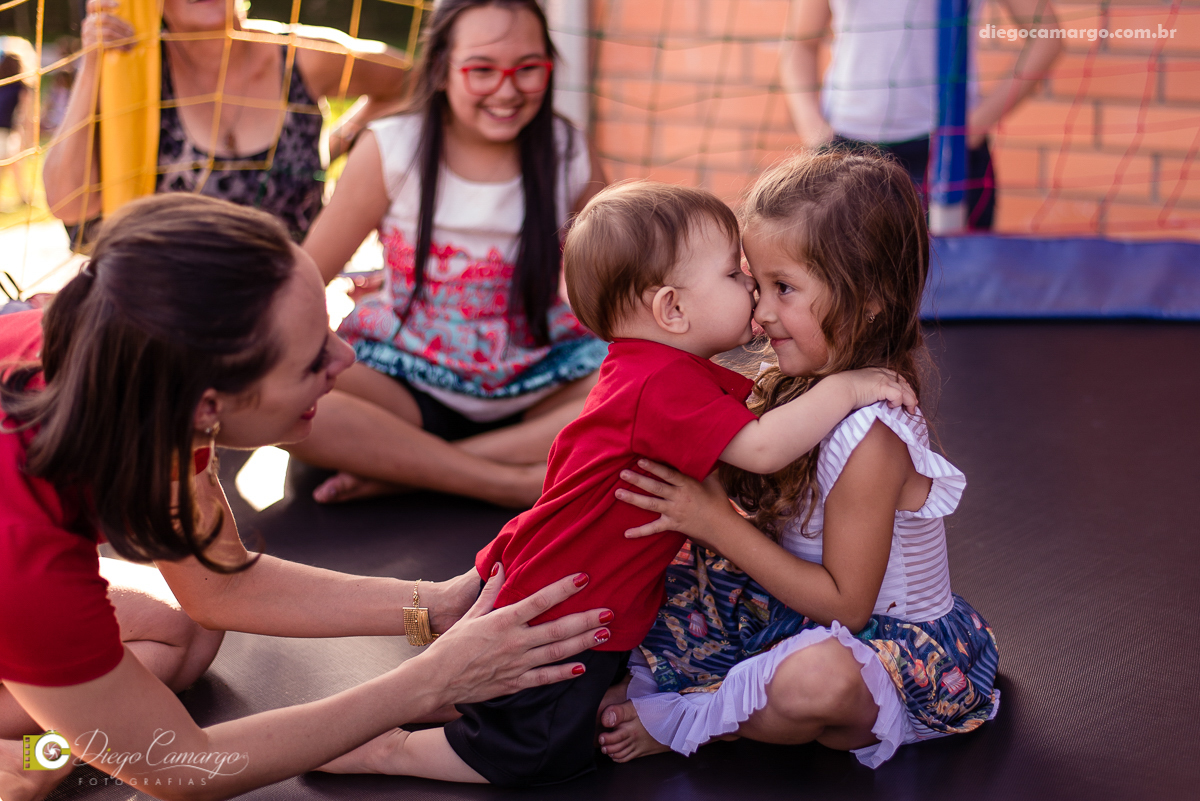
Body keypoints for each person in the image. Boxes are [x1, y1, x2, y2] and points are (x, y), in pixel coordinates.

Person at [0, 194, 612, 801]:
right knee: (112, 746)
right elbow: (182, 768)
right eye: (310, 359)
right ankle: (40, 751)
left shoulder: (141, 370)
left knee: (178, 635)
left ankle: (52, 741)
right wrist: (427, 683)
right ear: (208, 405)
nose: (344, 358)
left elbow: (219, 586)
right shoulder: (26, 545)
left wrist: (441, 603)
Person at [317, 181, 917, 786]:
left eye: (772, 286)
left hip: (571, 581)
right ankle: (383, 750)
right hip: (571, 602)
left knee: (527, 699)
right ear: (672, 310)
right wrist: (851, 385)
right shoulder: (665, 386)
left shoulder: (647, 369)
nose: (756, 301)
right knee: (536, 750)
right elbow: (761, 449)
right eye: (740, 279)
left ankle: (399, 711)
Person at [596, 152, 1000, 767]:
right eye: (755, 284)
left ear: (871, 298)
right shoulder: (793, 386)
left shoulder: (872, 436)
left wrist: (715, 523)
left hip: (884, 650)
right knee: (660, 582)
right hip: (789, 606)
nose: (759, 312)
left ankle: (693, 719)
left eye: (784, 289)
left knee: (819, 682)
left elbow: (847, 606)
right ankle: (703, 687)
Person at [289, 0, 609, 508]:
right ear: (440, 68)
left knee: (637, 387)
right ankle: (501, 478)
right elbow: (305, 277)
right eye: (482, 70)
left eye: (528, 69)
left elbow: (613, 281)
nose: (507, 91)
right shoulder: (390, 148)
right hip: (404, 380)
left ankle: (414, 468)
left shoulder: (567, 151)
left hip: (538, 380)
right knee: (292, 389)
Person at [42, 0, 413, 244]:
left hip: (289, 303)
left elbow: (415, 81)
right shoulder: (136, 70)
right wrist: (93, 64)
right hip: (168, 315)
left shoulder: (301, 57)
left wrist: (341, 146)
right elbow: (69, 204)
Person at [781, 0, 1064, 229]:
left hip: (945, 153)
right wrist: (817, 136)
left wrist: (972, 128)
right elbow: (799, 45)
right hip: (846, 151)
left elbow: (1046, 38)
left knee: (950, 289)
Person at [0, 37, 35, 209]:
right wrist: (30, 136)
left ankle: (23, 197)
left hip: (6, 129)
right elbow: (26, 115)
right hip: (5, 130)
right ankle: (23, 197)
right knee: (10, 163)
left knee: (12, 163)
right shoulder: (22, 86)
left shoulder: (3, 84)